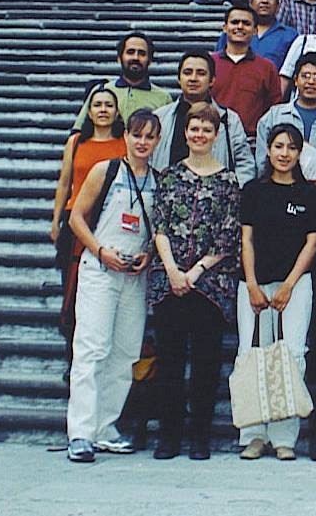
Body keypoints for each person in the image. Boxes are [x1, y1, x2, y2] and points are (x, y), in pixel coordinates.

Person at [64, 108, 160, 462]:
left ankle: (106, 427)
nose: (142, 142)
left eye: (150, 136)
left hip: (134, 276)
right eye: (137, 135)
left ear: (158, 141)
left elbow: (156, 231)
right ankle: (81, 432)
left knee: (124, 352)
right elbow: (75, 218)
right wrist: (100, 251)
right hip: (100, 270)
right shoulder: (106, 171)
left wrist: (149, 254)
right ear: (126, 136)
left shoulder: (158, 180)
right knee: (92, 349)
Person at [149, 101, 242, 460]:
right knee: (170, 362)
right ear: (185, 133)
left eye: (207, 129)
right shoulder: (170, 175)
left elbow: (228, 234)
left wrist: (195, 272)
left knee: (205, 364)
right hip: (168, 280)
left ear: (216, 135)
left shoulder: (228, 181)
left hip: (210, 285)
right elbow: (160, 225)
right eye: (194, 129)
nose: (200, 135)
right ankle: (168, 436)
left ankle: (199, 437)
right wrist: (173, 270)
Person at [236, 123, 316, 461]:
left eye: (291, 147)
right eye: (278, 146)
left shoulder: (309, 194)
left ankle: (285, 436)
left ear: (300, 153)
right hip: (254, 285)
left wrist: (289, 285)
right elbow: (246, 240)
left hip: (296, 285)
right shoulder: (254, 191)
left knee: (292, 356)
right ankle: (253, 435)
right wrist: (253, 284)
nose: (284, 153)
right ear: (268, 150)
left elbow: (312, 242)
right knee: (251, 355)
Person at [52, 84, 128, 368]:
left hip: (111, 222)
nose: (103, 110)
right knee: (73, 292)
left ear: (117, 110)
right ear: (89, 110)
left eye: (109, 105)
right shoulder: (76, 142)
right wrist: (55, 220)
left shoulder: (124, 141)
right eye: (97, 105)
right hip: (76, 221)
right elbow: (64, 182)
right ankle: (73, 361)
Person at [150, 51, 255, 186]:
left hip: (214, 199)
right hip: (167, 197)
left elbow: (244, 162)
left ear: (212, 80)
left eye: (201, 73)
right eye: (187, 72)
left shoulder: (229, 120)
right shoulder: (159, 118)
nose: (193, 78)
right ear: (179, 78)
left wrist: (232, 191)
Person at [255, 53, 316, 174]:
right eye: (305, 76)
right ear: (295, 80)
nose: (311, 81)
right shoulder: (274, 116)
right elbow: (262, 160)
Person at [211, 4, 283, 139]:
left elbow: (274, 108)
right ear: (225, 28)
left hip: (251, 140)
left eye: (246, 23)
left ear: (255, 30)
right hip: (212, 138)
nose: (240, 27)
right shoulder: (209, 63)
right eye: (234, 22)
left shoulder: (267, 68)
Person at [72, 32, 172, 127]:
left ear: (150, 60)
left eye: (142, 53)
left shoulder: (163, 98)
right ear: (119, 58)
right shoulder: (102, 91)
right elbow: (77, 133)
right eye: (130, 52)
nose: (136, 57)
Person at [214, 0, 298, 69]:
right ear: (250, 2)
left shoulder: (290, 35)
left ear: (278, 6)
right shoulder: (233, 32)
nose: (264, 1)